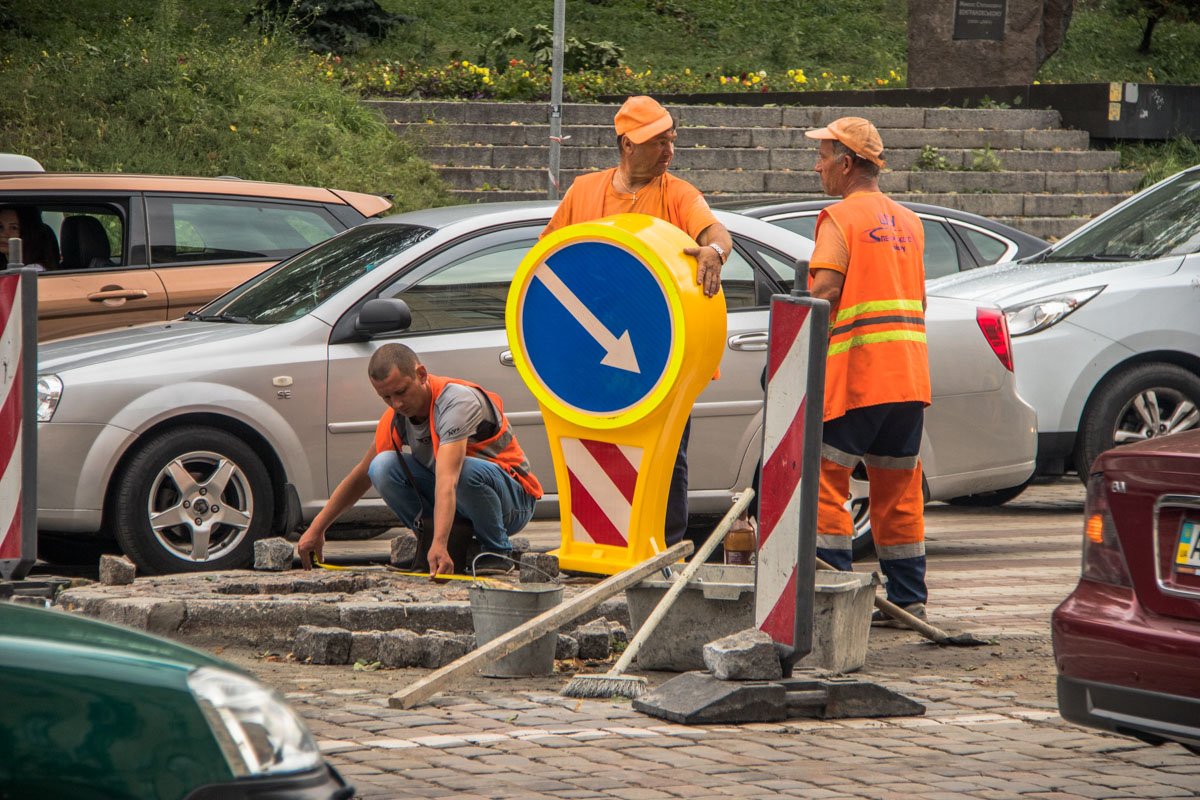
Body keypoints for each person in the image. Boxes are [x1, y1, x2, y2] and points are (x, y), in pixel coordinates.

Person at [540, 95, 733, 547]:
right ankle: (602, 548)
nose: (669, 152)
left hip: (660, 358)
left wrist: (715, 252)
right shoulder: (584, 191)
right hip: (594, 354)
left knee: (667, 457)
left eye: (672, 141)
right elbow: (548, 261)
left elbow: (715, 234)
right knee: (595, 452)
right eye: (658, 143)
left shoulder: (679, 194)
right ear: (628, 144)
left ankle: (662, 547)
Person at [803, 117, 932, 623]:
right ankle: (907, 599)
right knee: (897, 489)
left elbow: (824, 294)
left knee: (824, 480)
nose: (817, 166)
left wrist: (792, 355)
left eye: (823, 156)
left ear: (847, 163)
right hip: (909, 379)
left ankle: (835, 598)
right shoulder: (910, 222)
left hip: (860, 376)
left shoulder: (840, 218)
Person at [297, 343, 543, 577]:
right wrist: (317, 529)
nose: (397, 403)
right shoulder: (396, 417)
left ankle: (497, 550)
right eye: (386, 397)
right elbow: (361, 477)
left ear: (421, 374)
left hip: (512, 502)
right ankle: (442, 547)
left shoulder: (457, 402)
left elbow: (448, 479)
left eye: (402, 391)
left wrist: (439, 544)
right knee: (381, 466)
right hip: (459, 496)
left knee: (464, 471)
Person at [0, 206, 57, 271]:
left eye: (14, 228)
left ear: (29, 233)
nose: (2, 234)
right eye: (0, 226)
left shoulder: (33, 271)